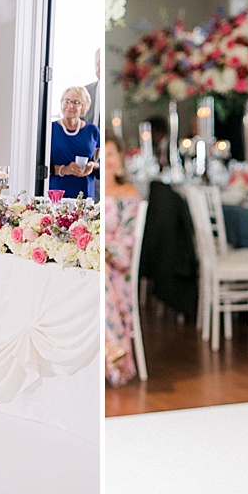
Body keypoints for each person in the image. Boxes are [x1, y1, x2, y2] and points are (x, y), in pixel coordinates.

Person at [104, 136, 142, 387]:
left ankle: (111, 346)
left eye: (110, 154)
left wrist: (105, 251)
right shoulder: (88, 190)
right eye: (100, 155)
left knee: (100, 275)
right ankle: (111, 345)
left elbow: (128, 240)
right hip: (94, 263)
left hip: (117, 268)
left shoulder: (128, 194)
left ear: (119, 158)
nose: (105, 160)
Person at [49, 86, 100, 200]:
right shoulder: (50, 129)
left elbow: (101, 161)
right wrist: (65, 169)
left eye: (76, 102)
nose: (70, 106)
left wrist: (93, 166)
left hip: (85, 193)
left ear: (83, 106)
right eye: (66, 101)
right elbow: (41, 165)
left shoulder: (92, 130)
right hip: (58, 193)